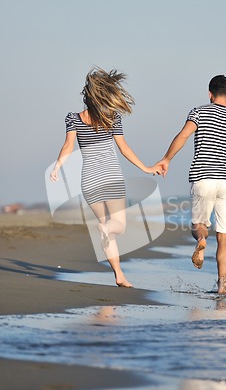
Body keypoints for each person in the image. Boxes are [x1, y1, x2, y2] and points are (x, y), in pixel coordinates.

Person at [50, 67, 161, 288]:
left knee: (104, 226)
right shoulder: (113, 118)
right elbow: (124, 148)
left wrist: (57, 167)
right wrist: (146, 168)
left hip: (89, 181)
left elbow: (67, 146)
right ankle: (117, 269)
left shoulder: (73, 118)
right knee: (117, 226)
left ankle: (119, 275)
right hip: (110, 177)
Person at [156, 75, 226, 294]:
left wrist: (166, 159)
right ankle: (222, 285)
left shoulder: (199, 111)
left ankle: (201, 240)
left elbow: (183, 136)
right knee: (224, 236)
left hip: (203, 178)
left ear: (209, 94)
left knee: (199, 225)